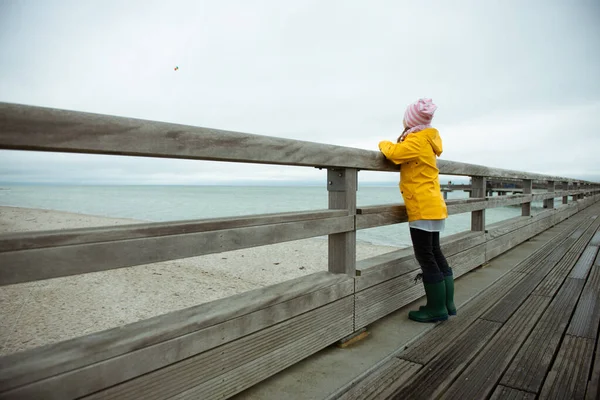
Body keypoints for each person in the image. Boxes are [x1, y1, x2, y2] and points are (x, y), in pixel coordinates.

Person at [378, 98, 455, 323]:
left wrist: (383, 143)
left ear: (410, 120)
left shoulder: (417, 140)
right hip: (434, 204)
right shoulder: (428, 140)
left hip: (422, 205)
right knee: (435, 252)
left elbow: (395, 153)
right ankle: (447, 304)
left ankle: (436, 309)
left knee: (425, 256)